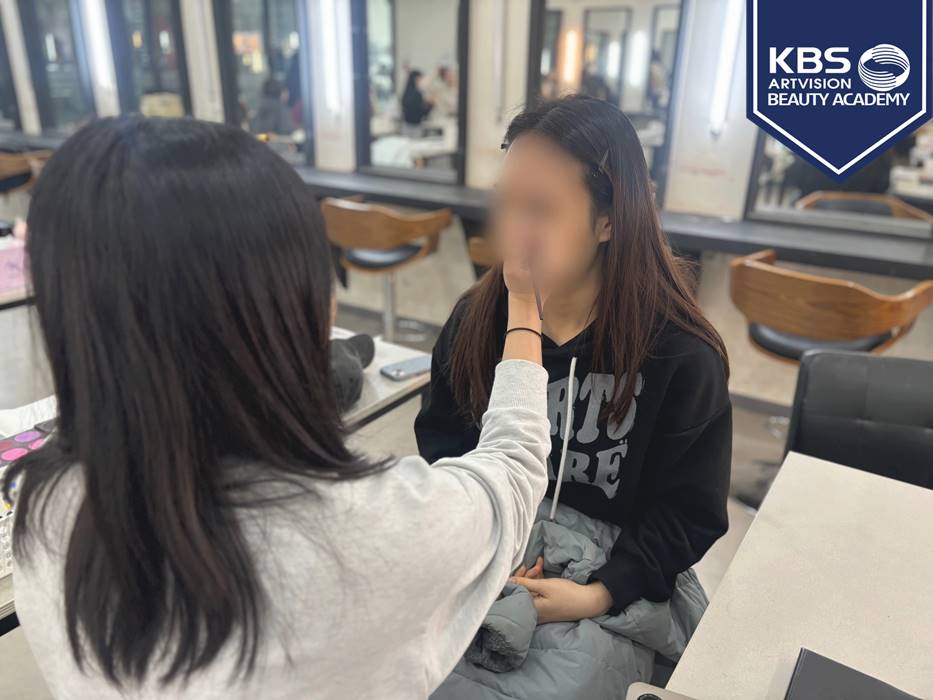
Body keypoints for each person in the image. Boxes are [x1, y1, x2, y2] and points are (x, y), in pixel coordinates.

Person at [4, 116, 554, 698]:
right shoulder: (360, 535)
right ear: (292, 311)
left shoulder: (40, 506)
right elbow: (513, 471)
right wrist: (523, 305)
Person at [416, 95, 732, 625]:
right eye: (506, 204)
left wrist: (598, 593)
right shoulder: (475, 323)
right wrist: (487, 547)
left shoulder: (679, 353)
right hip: (490, 558)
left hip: (614, 581)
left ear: (608, 221)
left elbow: (688, 513)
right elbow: (443, 445)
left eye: (540, 210)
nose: (513, 232)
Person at [401, 69, 433, 134]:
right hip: (415, 127)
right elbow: (422, 112)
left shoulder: (406, 92)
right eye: (420, 79)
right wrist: (430, 104)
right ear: (416, 79)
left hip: (407, 126)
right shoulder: (417, 94)